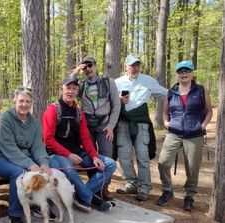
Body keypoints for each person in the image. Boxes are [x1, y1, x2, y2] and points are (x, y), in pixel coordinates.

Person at [43, 75, 116, 213]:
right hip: (56, 154)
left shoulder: (79, 112)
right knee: (69, 170)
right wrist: (68, 154)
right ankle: (92, 199)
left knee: (110, 164)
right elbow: (48, 140)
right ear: (61, 89)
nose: (71, 91)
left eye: (74, 88)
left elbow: (85, 138)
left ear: (77, 91)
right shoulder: (53, 110)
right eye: (68, 88)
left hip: (77, 152)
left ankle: (79, 194)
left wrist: (94, 156)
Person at [0, 87, 52, 223]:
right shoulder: (6, 119)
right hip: (0, 157)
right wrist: (30, 164)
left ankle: (38, 205)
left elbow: (38, 147)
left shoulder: (34, 122)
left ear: (31, 103)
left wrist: (43, 163)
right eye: (21, 101)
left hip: (23, 157)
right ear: (15, 101)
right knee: (20, 173)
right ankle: (15, 214)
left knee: (46, 169)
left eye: (27, 102)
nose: (24, 104)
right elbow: (9, 147)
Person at [156, 61, 212, 211]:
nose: (184, 73)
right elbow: (165, 112)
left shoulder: (200, 90)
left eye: (187, 70)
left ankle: (189, 196)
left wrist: (203, 125)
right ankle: (167, 190)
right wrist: (166, 122)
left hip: (194, 134)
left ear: (192, 72)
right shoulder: (171, 92)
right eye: (181, 71)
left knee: (192, 167)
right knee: (163, 162)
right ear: (177, 74)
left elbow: (209, 111)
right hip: (174, 132)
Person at [114, 54, 167, 201]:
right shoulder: (117, 83)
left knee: (142, 156)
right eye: (132, 65)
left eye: (137, 65)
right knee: (123, 156)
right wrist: (119, 101)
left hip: (141, 124)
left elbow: (166, 94)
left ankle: (144, 188)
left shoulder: (148, 81)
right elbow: (109, 101)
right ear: (125, 66)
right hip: (123, 123)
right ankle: (131, 182)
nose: (135, 68)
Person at [72, 56, 121, 200]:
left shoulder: (108, 82)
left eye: (90, 65)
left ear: (96, 65)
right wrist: (75, 72)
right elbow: (67, 88)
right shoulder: (81, 85)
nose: (88, 69)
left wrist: (111, 126)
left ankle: (104, 189)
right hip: (87, 126)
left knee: (106, 156)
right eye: (85, 67)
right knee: (91, 156)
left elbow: (116, 105)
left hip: (104, 125)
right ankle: (94, 187)